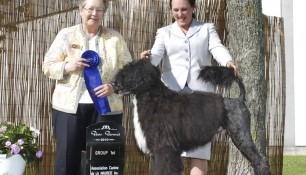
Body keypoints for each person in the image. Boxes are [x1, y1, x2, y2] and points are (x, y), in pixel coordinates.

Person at [140, 0, 238, 174]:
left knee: (199, 153)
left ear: (194, 7)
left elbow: (217, 47)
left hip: (201, 100)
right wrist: (147, 59)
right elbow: (155, 56)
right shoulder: (164, 33)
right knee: (169, 153)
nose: (180, 14)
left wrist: (228, 61)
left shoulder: (206, 28)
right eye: (176, 10)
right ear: (171, 11)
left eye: (184, 9)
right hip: (171, 102)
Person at [42, 0, 132, 174]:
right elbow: (47, 66)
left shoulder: (115, 38)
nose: (94, 14)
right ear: (80, 10)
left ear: (104, 12)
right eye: (90, 9)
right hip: (68, 109)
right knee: (67, 160)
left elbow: (129, 72)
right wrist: (68, 66)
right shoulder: (66, 35)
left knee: (104, 162)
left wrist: (114, 87)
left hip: (107, 109)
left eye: (99, 10)